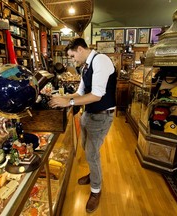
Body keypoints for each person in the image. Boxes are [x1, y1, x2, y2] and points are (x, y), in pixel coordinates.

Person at [48, 37, 117, 213]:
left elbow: (96, 95)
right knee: (87, 149)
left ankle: (96, 190)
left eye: (72, 56)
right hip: (89, 113)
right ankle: (94, 174)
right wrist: (63, 99)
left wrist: (68, 103)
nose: (72, 60)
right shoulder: (86, 65)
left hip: (102, 115)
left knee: (92, 153)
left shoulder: (100, 60)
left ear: (80, 49)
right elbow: (80, 92)